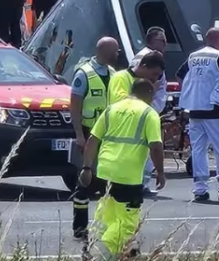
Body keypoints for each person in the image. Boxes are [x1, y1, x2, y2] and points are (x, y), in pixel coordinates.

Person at [78, 78, 166, 259]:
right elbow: (156, 146)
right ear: (148, 94)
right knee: (126, 223)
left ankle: (96, 248)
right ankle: (97, 255)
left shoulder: (112, 109)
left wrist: (87, 167)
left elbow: (92, 140)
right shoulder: (149, 113)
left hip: (104, 171)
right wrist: (161, 172)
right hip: (128, 175)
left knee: (106, 216)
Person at [177, 27, 219, 203]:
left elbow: (180, 76)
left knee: (198, 150)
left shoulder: (194, 56)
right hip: (214, 109)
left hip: (194, 109)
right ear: (218, 39)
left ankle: (200, 190)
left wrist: (191, 94)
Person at [69, 37, 120, 239]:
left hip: (109, 136)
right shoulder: (84, 74)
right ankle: (80, 227)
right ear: (106, 50)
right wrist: (79, 135)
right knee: (84, 182)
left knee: (106, 182)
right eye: (116, 51)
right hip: (89, 133)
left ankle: (104, 227)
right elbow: (75, 106)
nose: (118, 54)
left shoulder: (114, 74)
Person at [130, 27, 169, 195]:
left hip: (150, 108)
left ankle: (142, 183)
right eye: (162, 41)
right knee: (147, 147)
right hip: (147, 109)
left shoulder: (152, 57)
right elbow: (140, 84)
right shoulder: (145, 58)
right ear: (152, 41)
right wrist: (153, 88)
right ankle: (142, 184)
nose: (165, 45)